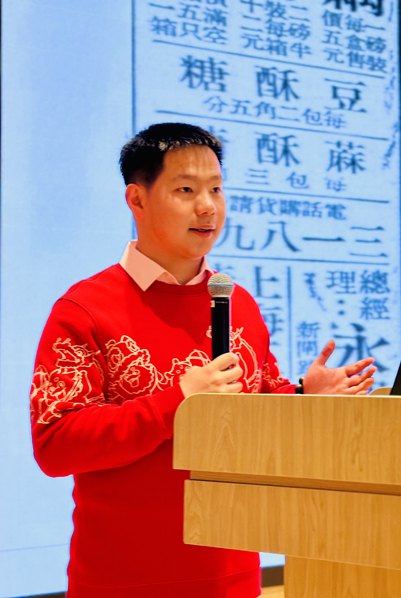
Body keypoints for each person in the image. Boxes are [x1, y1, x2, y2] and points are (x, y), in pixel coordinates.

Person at [30, 123, 376, 598]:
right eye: (186, 190)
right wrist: (178, 402)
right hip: (124, 580)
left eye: (216, 188)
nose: (208, 206)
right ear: (137, 199)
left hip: (233, 575)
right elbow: (56, 444)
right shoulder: (85, 309)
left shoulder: (238, 303)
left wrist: (301, 395)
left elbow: (253, 413)